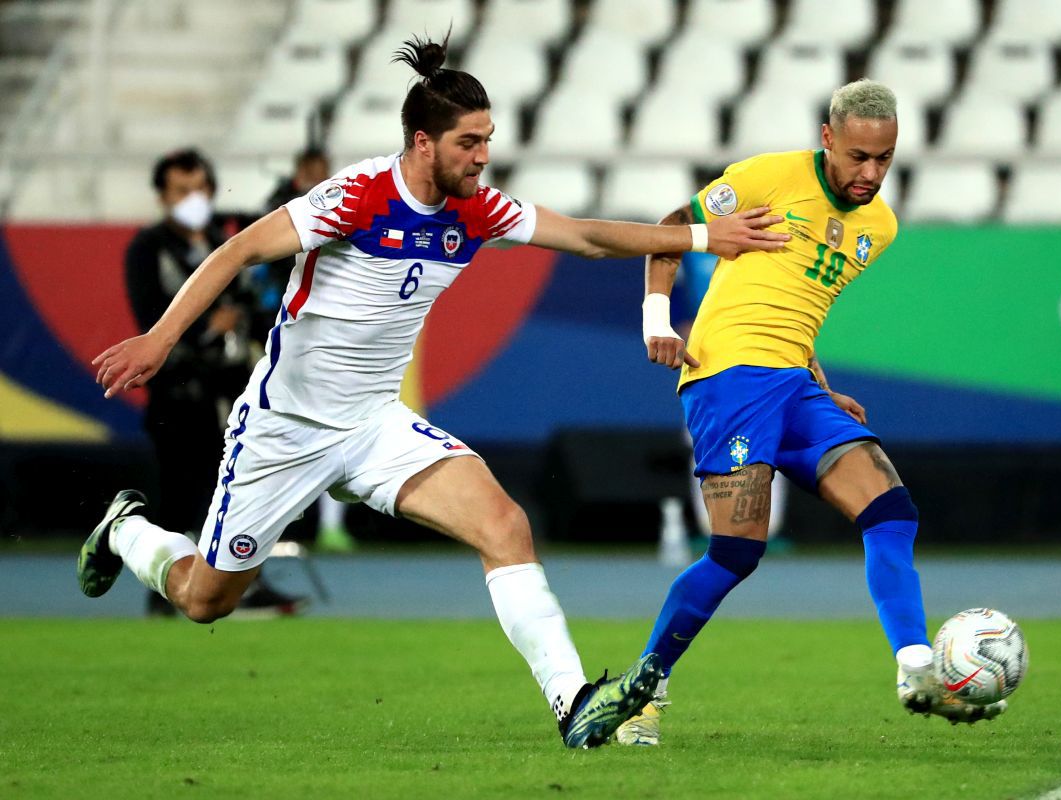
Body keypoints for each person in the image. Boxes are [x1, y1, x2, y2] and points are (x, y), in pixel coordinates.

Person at [79, 33, 787, 749]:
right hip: (285, 428)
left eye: (488, 141)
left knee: (505, 526)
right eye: (469, 142)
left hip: (375, 426)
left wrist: (703, 238)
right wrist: (161, 339)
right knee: (205, 598)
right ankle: (127, 532)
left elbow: (587, 237)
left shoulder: (476, 209)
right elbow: (237, 250)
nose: (483, 157)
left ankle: (575, 705)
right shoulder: (357, 195)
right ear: (423, 142)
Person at [616, 79, 1006, 747]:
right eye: (858, 156)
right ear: (828, 139)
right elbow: (669, 229)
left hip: (793, 382)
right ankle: (640, 691)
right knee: (737, 552)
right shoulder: (771, 176)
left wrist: (819, 381)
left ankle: (915, 667)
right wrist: (657, 317)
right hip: (729, 376)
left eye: (884, 158)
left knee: (891, 511)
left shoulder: (878, 227)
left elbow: (795, 300)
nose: (871, 173)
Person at [125, 148, 305, 617]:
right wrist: (210, 328)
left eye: (201, 187)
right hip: (178, 394)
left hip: (232, 391)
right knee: (178, 495)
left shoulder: (225, 241)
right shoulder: (147, 250)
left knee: (237, 489)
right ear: (162, 196)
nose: (195, 198)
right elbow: (150, 321)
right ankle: (163, 588)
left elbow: (259, 304)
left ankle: (246, 583)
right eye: (182, 190)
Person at [255, 148, 359, 554]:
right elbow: (259, 263)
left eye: (323, 172)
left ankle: (329, 527)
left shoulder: (338, 208)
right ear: (299, 173)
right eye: (311, 172)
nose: (319, 178)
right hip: (283, 339)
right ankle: (267, 523)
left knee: (334, 429)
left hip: (330, 340)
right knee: (288, 431)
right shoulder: (285, 212)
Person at [676, 251, 789, 544]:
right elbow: (677, 309)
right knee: (706, 441)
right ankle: (714, 526)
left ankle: (766, 527)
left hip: (761, 357)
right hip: (708, 362)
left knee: (769, 440)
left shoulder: (762, 243)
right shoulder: (689, 247)